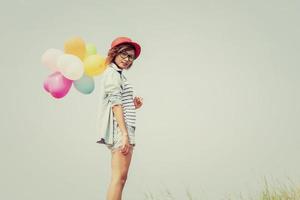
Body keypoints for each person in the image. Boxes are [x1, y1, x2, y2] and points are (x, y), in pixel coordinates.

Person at [96, 36, 143, 200]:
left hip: (124, 129)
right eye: (124, 54)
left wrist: (132, 105)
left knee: (120, 179)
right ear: (115, 53)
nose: (127, 59)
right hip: (120, 130)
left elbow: (119, 102)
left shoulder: (118, 74)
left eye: (130, 56)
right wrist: (124, 134)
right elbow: (115, 104)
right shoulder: (112, 73)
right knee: (119, 178)